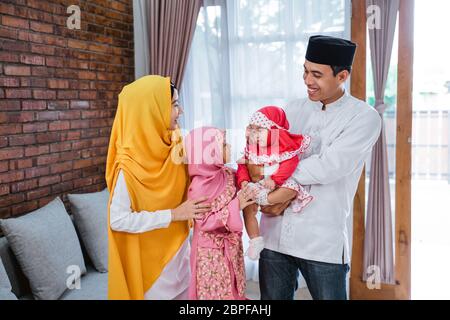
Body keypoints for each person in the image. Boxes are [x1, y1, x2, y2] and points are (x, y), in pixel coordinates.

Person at [253, 35, 382, 300]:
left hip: (321, 239)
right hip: (275, 233)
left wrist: (282, 182)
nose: (307, 81)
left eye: (317, 74)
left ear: (342, 76)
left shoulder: (364, 117)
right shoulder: (292, 109)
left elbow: (331, 166)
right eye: (305, 71)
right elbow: (267, 153)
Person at [106, 75, 211, 300]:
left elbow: (207, 170)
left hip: (181, 260)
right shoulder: (128, 166)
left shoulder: (175, 142)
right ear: (151, 110)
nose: (180, 111)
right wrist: (174, 214)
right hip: (154, 278)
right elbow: (118, 220)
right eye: (173, 105)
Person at [185, 127, 255, 300]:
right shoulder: (199, 187)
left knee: (232, 288)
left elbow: (246, 181)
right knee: (214, 292)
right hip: (209, 253)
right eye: (223, 144)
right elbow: (205, 222)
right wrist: (237, 204)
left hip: (231, 247)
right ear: (207, 152)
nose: (229, 146)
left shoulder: (228, 174)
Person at [236, 106, 313, 260]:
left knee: (291, 189)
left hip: (277, 183)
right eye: (252, 129)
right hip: (258, 186)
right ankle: (255, 239)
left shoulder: (283, 149)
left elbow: (289, 165)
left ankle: (266, 199)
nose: (254, 134)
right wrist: (243, 181)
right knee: (247, 207)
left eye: (260, 130)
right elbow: (242, 166)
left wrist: (275, 179)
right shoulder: (251, 149)